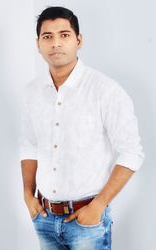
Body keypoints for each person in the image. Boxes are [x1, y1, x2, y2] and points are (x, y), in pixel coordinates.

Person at [20, 6, 145, 250]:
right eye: (48, 37)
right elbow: (29, 145)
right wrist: (28, 195)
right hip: (44, 218)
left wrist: (98, 205)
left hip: (87, 221)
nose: (56, 43)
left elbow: (132, 152)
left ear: (79, 40)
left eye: (64, 35)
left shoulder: (105, 91)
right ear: (38, 44)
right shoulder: (32, 92)